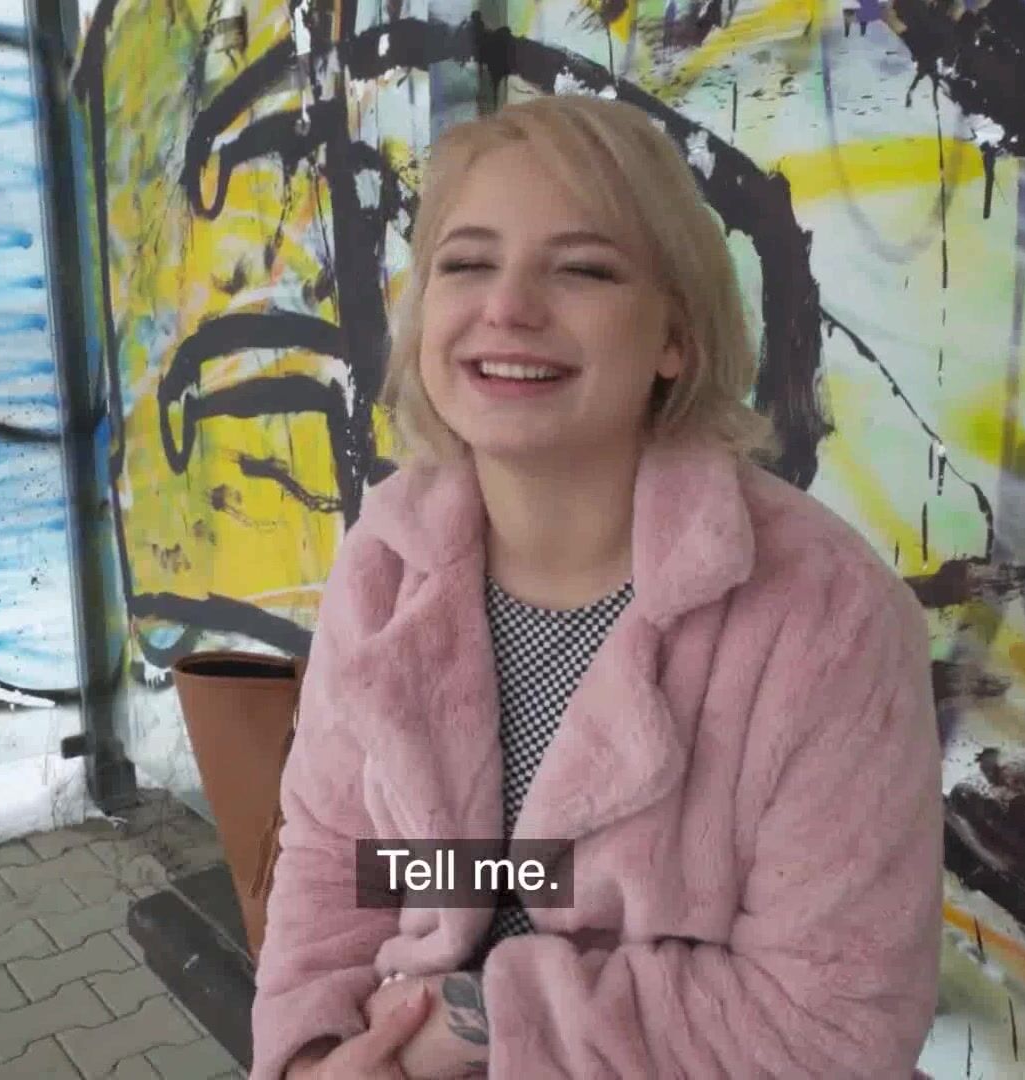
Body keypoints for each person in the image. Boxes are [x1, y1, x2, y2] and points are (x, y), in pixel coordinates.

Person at [249, 93, 943, 1079]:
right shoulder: (387, 563)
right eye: (467, 263)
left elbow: (830, 1023)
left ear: (675, 337)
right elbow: (339, 865)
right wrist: (316, 1056)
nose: (508, 308)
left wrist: (476, 1022)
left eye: (582, 269)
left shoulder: (825, 615)